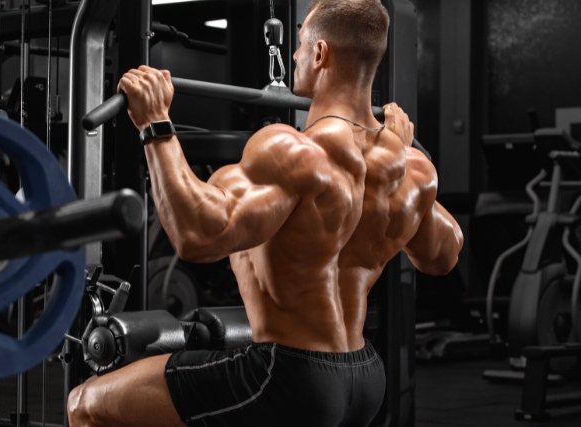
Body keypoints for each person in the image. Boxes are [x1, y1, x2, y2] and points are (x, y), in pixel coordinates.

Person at [67, 0, 463, 425]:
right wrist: (402, 153)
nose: (292, 56)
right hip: (365, 376)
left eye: (298, 45)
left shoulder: (293, 150)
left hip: (287, 376)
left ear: (319, 53)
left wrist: (155, 124)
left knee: (87, 404)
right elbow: (443, 256)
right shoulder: (410, 169)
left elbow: (198, 237)